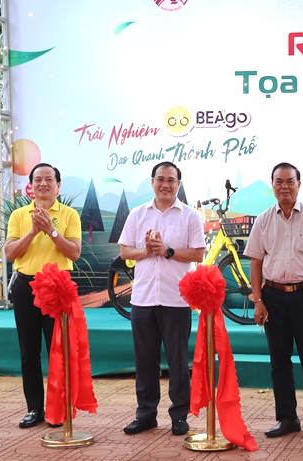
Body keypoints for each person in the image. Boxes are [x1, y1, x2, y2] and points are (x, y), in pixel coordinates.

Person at [244, 162, 303, 439]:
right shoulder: (263, 220)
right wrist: (258, 300)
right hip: (273, 297)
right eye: (279, 181)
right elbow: (256, 263)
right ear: (272, 185)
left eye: (290, 181)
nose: (284, 186)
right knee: (279, 360)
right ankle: (287, 418)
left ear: (299, 184)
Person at [118, 161, 205, 436]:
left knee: (178, 362)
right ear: (152, 182)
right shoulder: (137, 214)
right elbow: (125, 252)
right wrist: (146, 251)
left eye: (171, 180)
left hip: (176, 299)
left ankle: (179, 416)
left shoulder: (189, 216)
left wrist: (168, 251)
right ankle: (145, 414)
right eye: (160, 179)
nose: (165, 185)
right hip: (143, 299)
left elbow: (198, 253)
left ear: (178, 184)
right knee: (145, 361)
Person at [5, 163, 82, 428]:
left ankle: (58, 409)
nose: (43, 184)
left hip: (57, 289)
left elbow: (74, 253)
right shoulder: (19, 215)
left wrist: (51, 230)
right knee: (29, 351)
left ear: (58, 186)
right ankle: (35, 408)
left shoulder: (70, 214)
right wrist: (33, 231)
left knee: (58, 351)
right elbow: (10, 253)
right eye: (38, 179)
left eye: (49, 179)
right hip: (26, 287)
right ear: (31, 186)